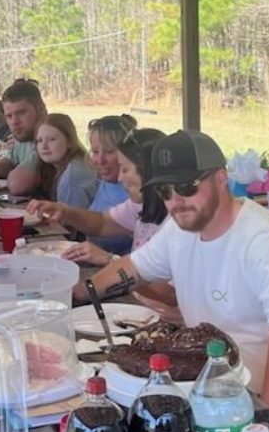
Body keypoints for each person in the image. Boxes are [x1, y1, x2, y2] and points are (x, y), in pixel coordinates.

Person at [76, 130, 269, 432]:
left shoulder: (267, 241)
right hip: (208, 400)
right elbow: (133, 268)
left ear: (221, 179)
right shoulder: (179, 229)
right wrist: (75, 294)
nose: (176, 200)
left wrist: (258, 423)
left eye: (187, 186)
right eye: (165, 191)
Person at [31, 128, 180, 321]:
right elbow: (102, 223)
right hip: (130, 305)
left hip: (158, 318)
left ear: (149, 172)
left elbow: (170, 294)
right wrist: (65, 212)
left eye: (125, 169)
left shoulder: (179, 222)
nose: (120, 178)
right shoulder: (142, 205)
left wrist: (110, 260)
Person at [82, 115, 135, 255]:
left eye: (110, 152)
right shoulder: (106, 182)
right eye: (95, 152)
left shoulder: (134, 193)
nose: (100, 160)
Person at [33, 113, 98, 208]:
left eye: (52, 139)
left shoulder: (73, 175)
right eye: (39, 140)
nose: (44, 146)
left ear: (69, 142)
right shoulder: (75, 164)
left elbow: (70, 220)